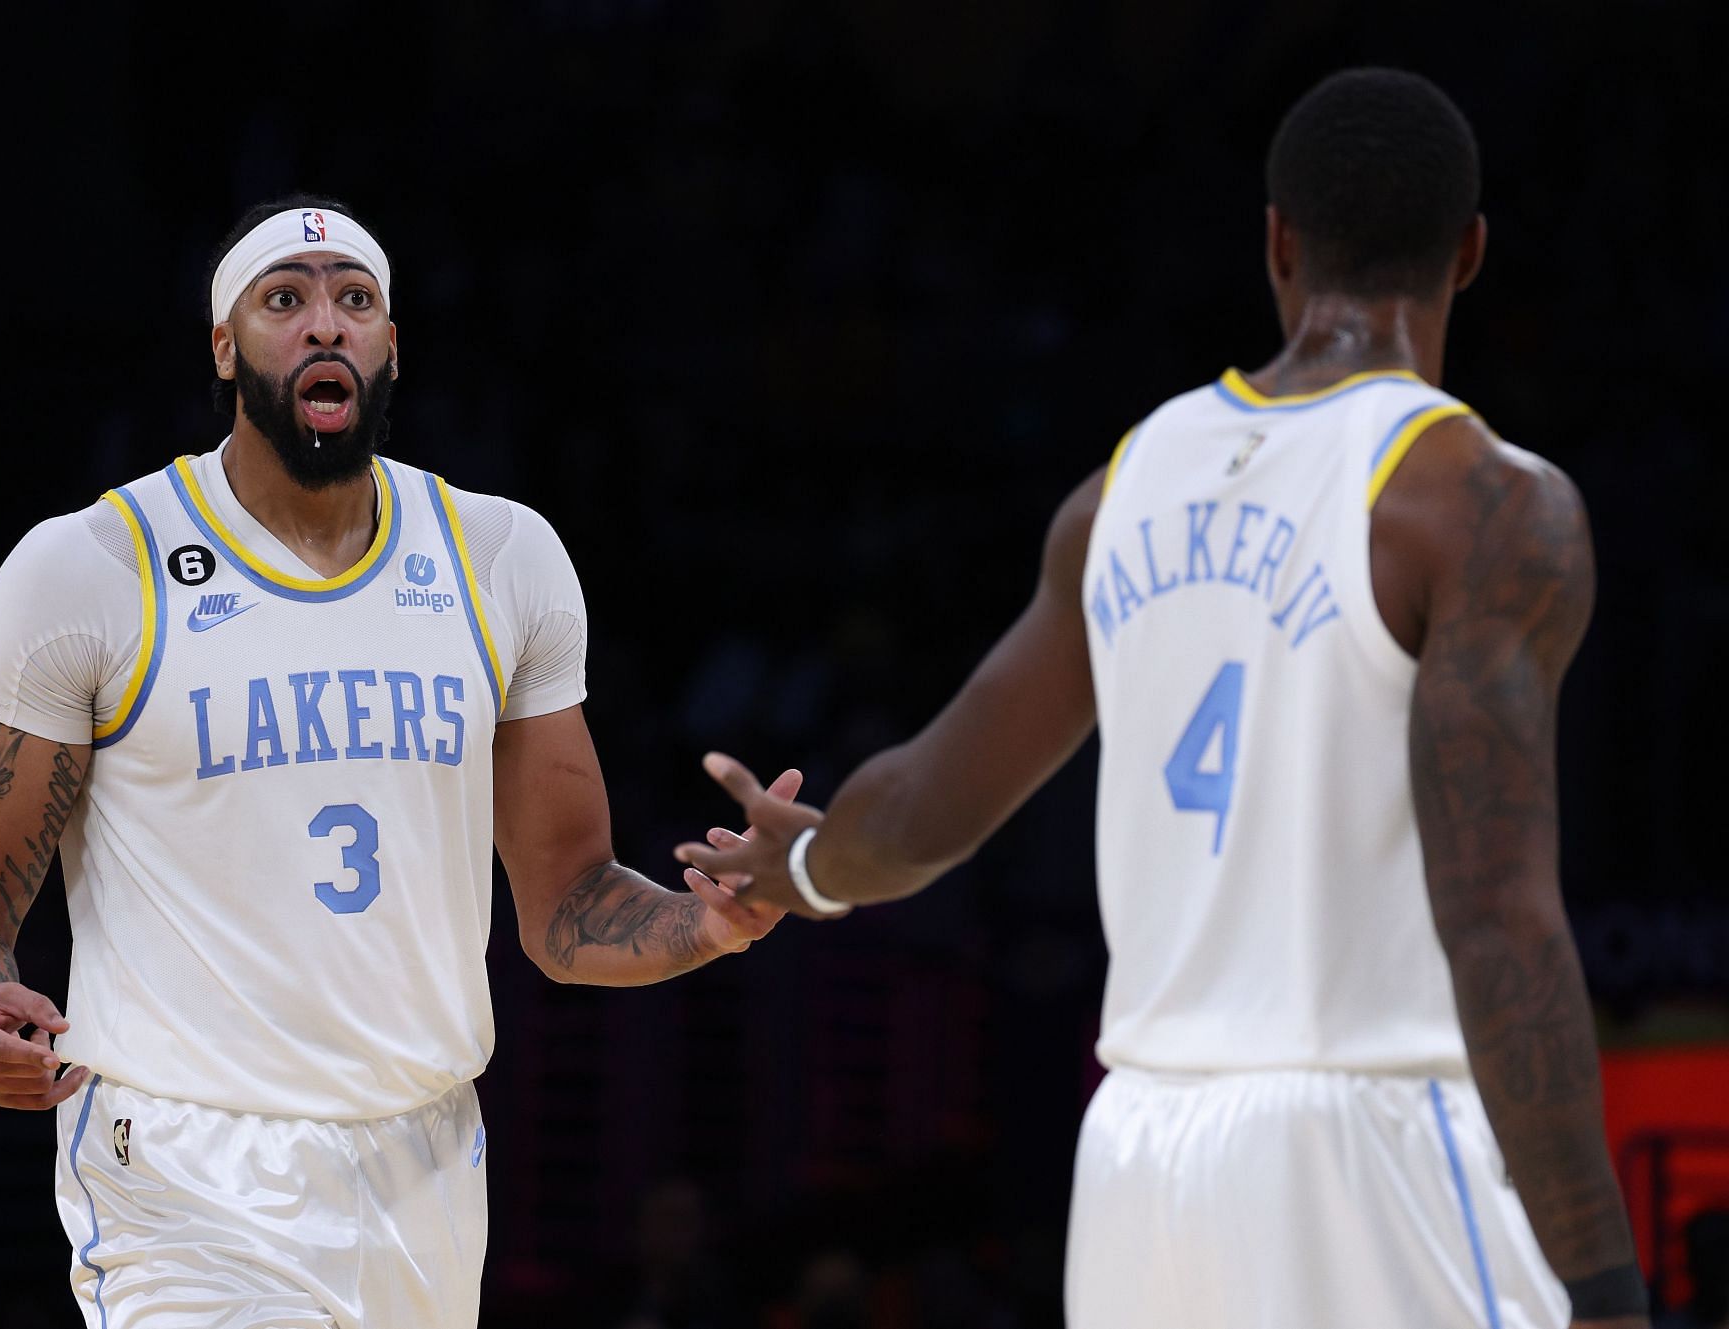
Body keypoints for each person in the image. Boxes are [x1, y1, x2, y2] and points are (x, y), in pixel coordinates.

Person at [678, 69, 1648, 1329]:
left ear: (1276, 241)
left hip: (1143, 1163)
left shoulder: (1126, 486)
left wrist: (802, 871)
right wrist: (1610, 1287)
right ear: (1467, 255)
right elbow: (1500, 924)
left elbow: (922, 808)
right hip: (1369, 1140)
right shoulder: (1484, 504)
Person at [0, 194, 796, 1329]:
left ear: (389, 347)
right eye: (285, 300)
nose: (324, 324)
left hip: (425, 1158)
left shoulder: (501, 558)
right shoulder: (88, 570)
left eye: (354, 301)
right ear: (226, 348)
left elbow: (568, 908)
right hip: (185, 1172)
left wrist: (711, 922)